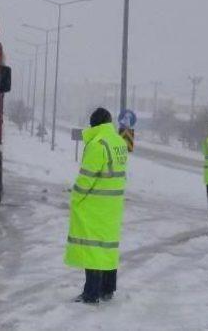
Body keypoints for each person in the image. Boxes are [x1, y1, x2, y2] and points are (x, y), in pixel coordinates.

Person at [64, 107, 128, 304]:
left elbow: (86, 178)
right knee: (107, 248)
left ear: (94, 124)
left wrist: (75, 197)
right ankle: (108, 289)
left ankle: (91, 293)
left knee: (93, 250)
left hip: (94, 207)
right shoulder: (119, 141)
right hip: (112, 206)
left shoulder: (97, 144)